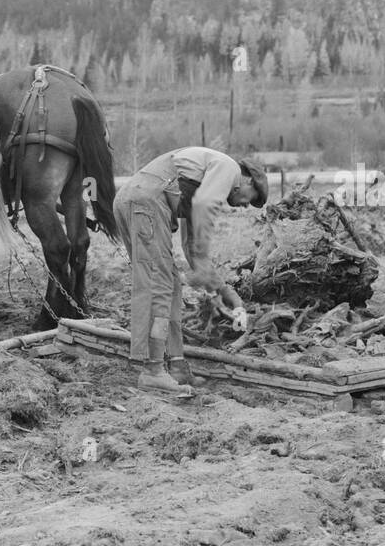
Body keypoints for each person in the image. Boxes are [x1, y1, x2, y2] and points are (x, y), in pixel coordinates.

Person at [113, 148, 268, 395]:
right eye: (251, 197)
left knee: (171, 283)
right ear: (247, 180)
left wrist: (225, 293)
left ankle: (176, 365)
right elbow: (205, 207)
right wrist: (205, 272)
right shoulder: (228, 168)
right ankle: (153, 371)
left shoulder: (199, 184)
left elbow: (192, 248)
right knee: (159, 285)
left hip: (137, 200)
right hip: (146, 202)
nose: (245, 205)